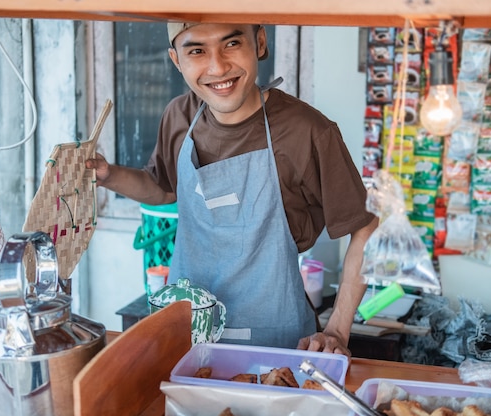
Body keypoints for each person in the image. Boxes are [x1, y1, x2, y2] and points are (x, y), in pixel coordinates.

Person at [86, 22, 378, 357]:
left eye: (231, 43)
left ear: (260, 42)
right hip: (186, 341)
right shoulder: (179, 117)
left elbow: (365, 226)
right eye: (197, 50)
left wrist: (337, 330)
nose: (218, 66)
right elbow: (162, 187)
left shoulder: (307, 131)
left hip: (278, 347)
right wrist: (108, 175)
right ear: (176, 60)